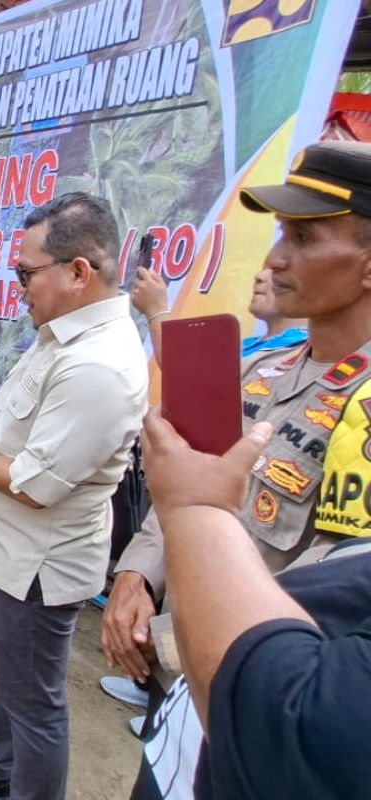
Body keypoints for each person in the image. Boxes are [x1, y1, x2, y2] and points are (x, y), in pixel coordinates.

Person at [0, 192, 149, 800]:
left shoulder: (98, 367)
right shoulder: (61, 334)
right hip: (10, 555)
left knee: (36, 704)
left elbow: (35, 486)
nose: (17, 287)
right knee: (14, 682)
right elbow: (19, 419)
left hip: (35, 566)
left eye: (25, 273)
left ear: (78, 272)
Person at [104, 141, 371, 693]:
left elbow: (338, 587)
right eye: (280, 235)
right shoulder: (261, 370)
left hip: (264, 686)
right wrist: (137, 576)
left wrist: (174, 634)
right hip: (182, 668)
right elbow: (187, 481)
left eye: (302, 238)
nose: (275, 258)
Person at [134, 411, 371, 800]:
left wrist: (193, 509)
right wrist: (140, 571)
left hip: (212, 653)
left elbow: (299, 729)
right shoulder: (267, 355)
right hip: (187, 717)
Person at [133, 266, 308, 363]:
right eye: (265, 268)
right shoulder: (249, 344)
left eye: (277, 271)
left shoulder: (298, 352)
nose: (260, 276)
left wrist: (156, 310)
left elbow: (184, 372)